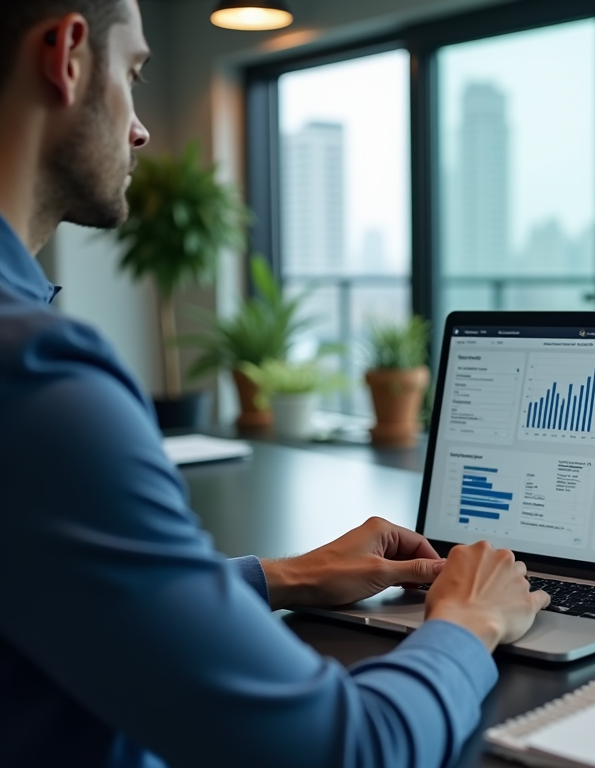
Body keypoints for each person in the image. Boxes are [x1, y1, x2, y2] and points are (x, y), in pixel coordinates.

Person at [0, 2, 550, 766]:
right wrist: (465, 624)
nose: (142, 127)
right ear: (65, 56)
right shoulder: (36, 377)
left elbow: (42, 580)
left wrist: (284, 577)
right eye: (132, 73)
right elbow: (344, 750)